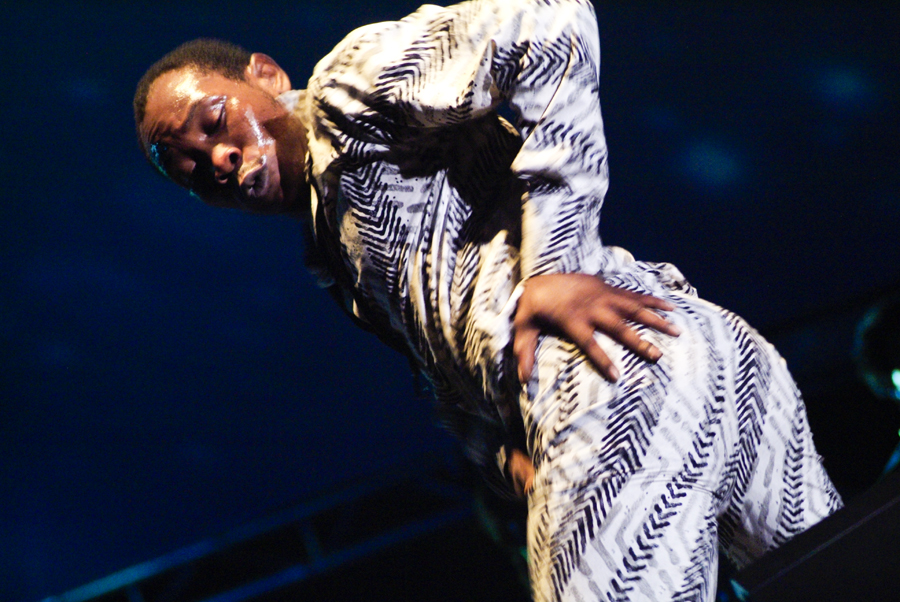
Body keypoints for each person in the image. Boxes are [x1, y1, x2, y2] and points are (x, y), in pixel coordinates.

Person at [134, 1, 843, 600]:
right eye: (188, 167)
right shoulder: (336, 251)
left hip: (602, 374)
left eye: (215, 120)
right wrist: (509, 458)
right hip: (698, 352)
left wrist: (556, 260)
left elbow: (550, 23)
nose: (216, 158)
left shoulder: (345, 93)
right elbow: (442, 365)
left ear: (265, 74)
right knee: (852, 573)